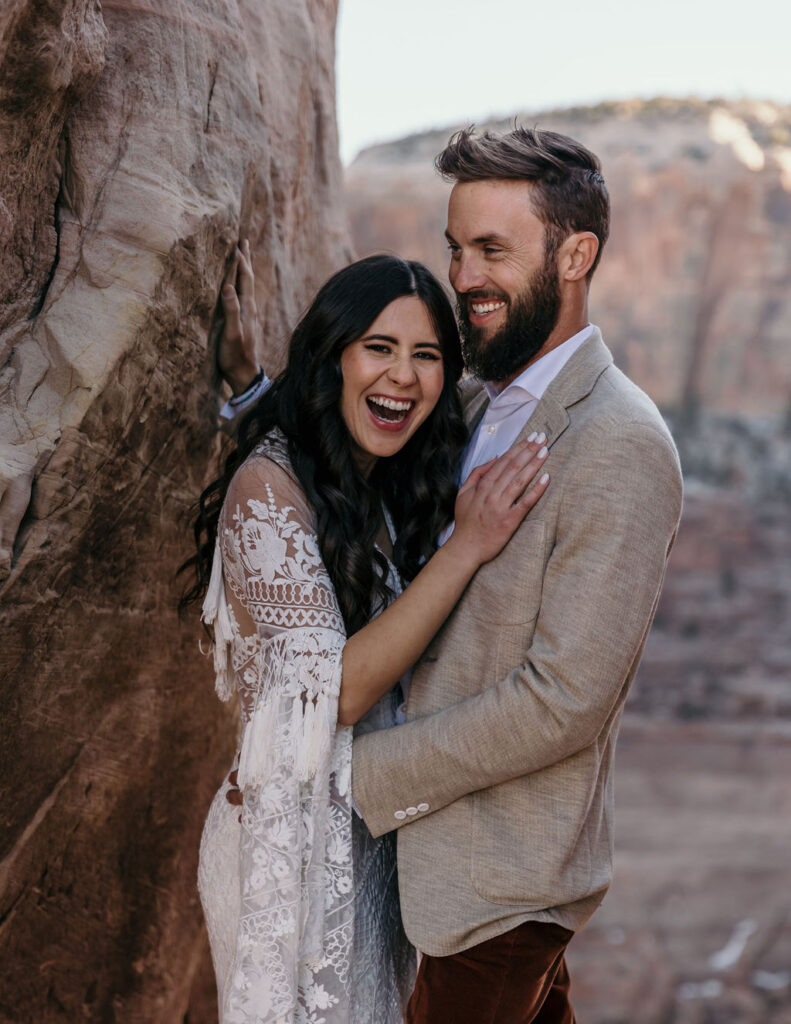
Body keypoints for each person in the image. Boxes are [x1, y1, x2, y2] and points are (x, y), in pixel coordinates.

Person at [224, 125, 684, 1023]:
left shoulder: (620, 443)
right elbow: (355, 414)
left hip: (496, 889)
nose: (464, 276)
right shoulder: (470, 396)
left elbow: (563, 698)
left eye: (492, 250)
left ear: (575, 254)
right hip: (424, 880)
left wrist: (354, 773)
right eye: (455, 247)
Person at [186, 251, 551, 1023]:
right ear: (334, 356)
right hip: (284, 848)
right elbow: (339, 691)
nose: (403, 377)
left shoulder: (378, 472)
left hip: (375, 840)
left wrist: (246, 383)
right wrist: (466, 547)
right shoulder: (264, 488)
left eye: (426, 356)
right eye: (378, 348)